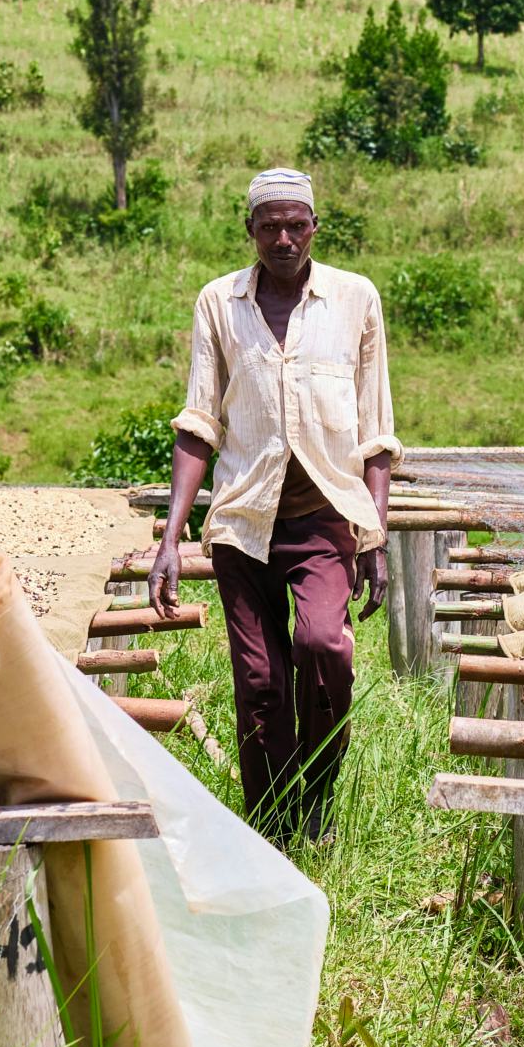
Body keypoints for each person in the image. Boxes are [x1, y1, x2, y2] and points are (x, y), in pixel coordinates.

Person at [150, 168, 398, 844]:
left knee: (323, 646)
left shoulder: (354, 299)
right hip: (242, 520)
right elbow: (198, 422)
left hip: (323, 515)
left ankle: (316, 794)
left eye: (296, 224)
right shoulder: (219, 303)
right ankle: (271, 824)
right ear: (249, 231)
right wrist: (171, 539)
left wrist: (373, 536)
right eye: (269, 226)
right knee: (259, 683)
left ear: (316, 226)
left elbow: (377, 431)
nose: (283, 238)